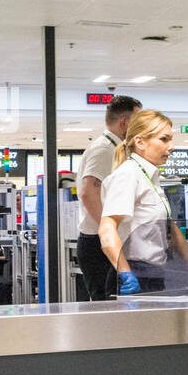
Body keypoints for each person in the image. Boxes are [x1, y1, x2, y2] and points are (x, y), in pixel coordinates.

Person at [98, 109, 188, 294]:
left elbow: (170, 228)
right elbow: (107, 228)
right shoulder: (128, 175)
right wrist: (126, 273)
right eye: (164, 139)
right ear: (140, 142)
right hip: (132, 276)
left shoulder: (150, 177)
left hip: (153, 274)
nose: (172, 146)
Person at [77, 95, 140, 300]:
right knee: (108, 308)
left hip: (107, 241)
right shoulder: (105, 150)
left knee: (117, 307)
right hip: (100, 243)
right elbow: (88, 192)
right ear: (124, 122)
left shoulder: (117, 150)